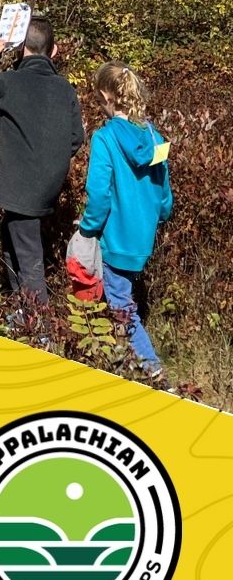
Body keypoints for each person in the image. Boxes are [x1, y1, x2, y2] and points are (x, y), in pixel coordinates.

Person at [0, 17, 85, 309]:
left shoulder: (9, 82)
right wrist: (50, 161)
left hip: (21, 185)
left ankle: (39, 328)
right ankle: (21, 310)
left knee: (29, 257)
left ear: (19, 48)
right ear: (54, 51)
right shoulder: (65, 89)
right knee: (10, 236)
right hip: (48, 183)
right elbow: (76, 137)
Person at [78, 62, 173, 374]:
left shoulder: (104, 139)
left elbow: (99, 193)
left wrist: (88, 229)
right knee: (120, 297)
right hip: (142, 238)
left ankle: (151, 367)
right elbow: (164, 196)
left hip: (114, 238)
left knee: (119, 304)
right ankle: (116, 358)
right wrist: (159, 216)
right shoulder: (156, 138)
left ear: (106, 96)